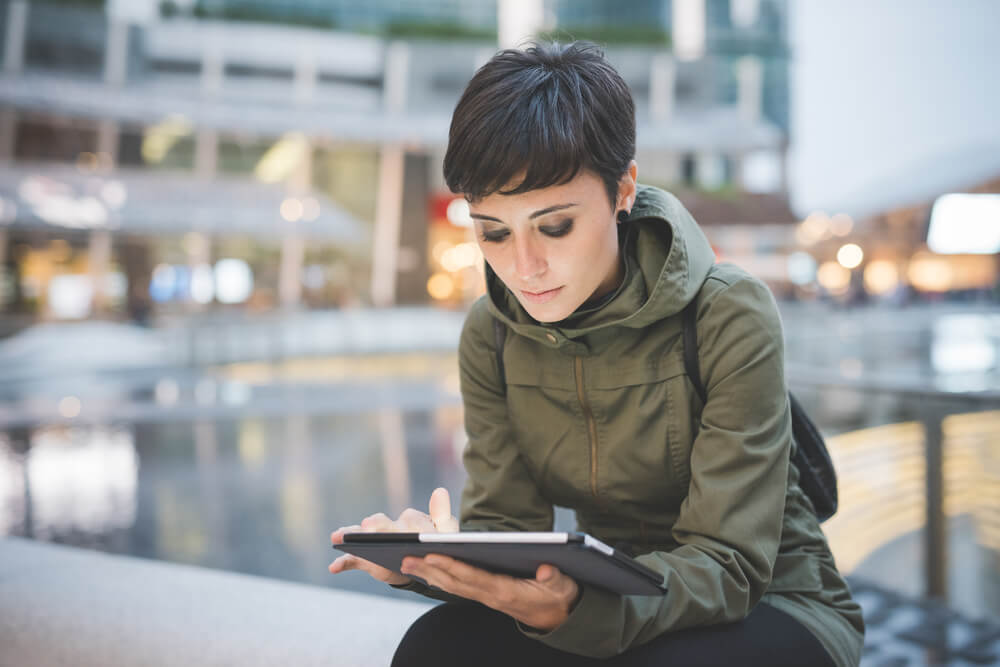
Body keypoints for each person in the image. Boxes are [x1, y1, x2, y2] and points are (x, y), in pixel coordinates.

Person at [329, 41, 864, 667]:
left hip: (770, 600)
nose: (523, 267)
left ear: (623, 189)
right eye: (493, 232)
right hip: (602, 597)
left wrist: (581, 609)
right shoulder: (492, 334)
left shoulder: (727, 313)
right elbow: (508, 531)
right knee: (437, 646)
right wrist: (431, 561)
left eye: (555, 226)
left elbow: (731, 565)